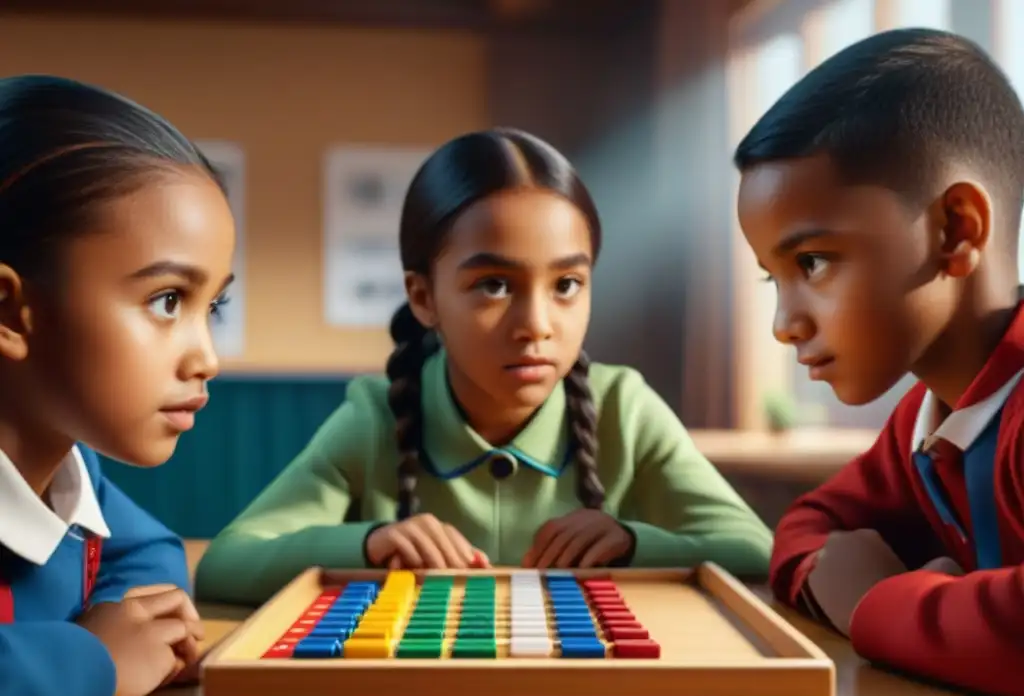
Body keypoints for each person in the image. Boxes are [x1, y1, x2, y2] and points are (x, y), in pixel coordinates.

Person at [195, 127, 772, 606]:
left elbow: (753, 550)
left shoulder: (624, 407)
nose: (537, 324)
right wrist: (372, 544)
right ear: (424, 298)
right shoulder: (376, 416)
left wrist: (630, 541)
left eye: (567, 285)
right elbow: (226, 563)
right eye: (494, 285)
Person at [734, 27, 1024, 696]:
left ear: (955, 230)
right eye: (772, 278)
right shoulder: (921, 426)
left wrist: (876, 605)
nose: (785, 324)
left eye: (812, 262)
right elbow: (810, 528)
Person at [0, 75, 236, 696]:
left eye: (212, 305)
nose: (207, 358)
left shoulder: (75, 477)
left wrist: (132, 627)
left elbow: (151, 555)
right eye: (167, 301)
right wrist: (96, 655)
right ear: (10, 312)